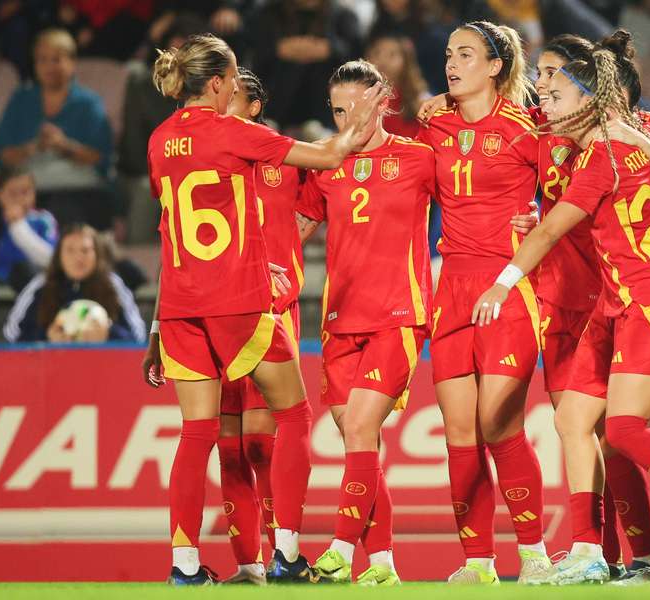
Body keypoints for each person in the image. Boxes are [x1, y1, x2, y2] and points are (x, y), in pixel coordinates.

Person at [472, 46, 650, 584]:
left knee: (630, 430)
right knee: (580, 421)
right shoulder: (605, 146)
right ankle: (635, 559)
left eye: (556, 91)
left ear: (591, 100)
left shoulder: (601, 153)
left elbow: (553, 228)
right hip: (624, 302)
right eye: (544, 87)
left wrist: (503, 281)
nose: (545, 99)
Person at [138, 33, 387, 585]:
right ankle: (289, 554)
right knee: (293, 414)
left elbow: (167, 235)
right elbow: (328, 155)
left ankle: (183, 568)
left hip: (181, 308)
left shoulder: (158, 142)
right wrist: (359, 116)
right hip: (238, 301)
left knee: (195, 431)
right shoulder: (233, 130)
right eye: (231, 81)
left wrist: (155, 329)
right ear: (221, 83)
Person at [415, 20, 551, 585]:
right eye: (449, 53)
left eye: (466, 54)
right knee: (459, 432)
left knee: (499, 423)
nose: (451, 63)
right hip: (453, 287)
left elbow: (567, 193)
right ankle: (477, 561)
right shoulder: (434, 125)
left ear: (495, 66)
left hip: (509, 286)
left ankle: (536, 554)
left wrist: (539, 215)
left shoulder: (527, 128)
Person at [295, 59, 434, 587]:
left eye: (355, 106)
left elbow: (472, 206)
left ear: (383, 99)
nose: (346, 118)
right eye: (336, 110)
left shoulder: (420, 159)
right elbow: (297, 231)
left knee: (358, 427)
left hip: (398, 316)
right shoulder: (324, 163)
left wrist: (521, 218)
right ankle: (382, 565)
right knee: (361, 446)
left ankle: (336, 550)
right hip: (338, 321)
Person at [216, 68, 305, 586]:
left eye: (234, 100)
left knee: (262, 443)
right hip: (222, 312)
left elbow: (319, 202)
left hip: (273, 312)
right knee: (229, 446)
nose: (222, 108)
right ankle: (248, 565)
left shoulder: (284, 157)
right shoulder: (209, 162)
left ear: (254, 108)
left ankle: (283, 551)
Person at [0, 28, 114, 230]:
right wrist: (34, 147)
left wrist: (64, 146)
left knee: (64, 211)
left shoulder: (89, 103)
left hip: (78, 191)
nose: (49, 67)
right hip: (29, 190)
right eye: (42, 60)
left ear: (72, 63)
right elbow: (3, 155)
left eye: (57, 59)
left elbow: (100, 158)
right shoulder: (20, 100)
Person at [118, 14, 207, 243]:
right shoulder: (142, 86)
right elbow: (134, 145)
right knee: (145, 189)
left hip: (199, 170)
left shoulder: (210, 88)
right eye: (175, 48)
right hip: (149, 171)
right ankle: (141, 263)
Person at [2, 222, 145, 343]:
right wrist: (47, 337)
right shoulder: (41, 285)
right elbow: (12, 335)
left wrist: (109, 334)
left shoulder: (112, 284)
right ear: (59, 256)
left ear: (97, 255)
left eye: (85, 250)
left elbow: (138, 337)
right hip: (51, 371)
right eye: (70, 250)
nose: (78, 258)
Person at [249, 0, 364, 129]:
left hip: (324, 101)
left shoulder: (342, 15)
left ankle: (322, 127)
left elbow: (357, 58)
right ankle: (270, 123)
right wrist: (277, 49)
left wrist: (330, 49)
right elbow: (256, 54)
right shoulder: (269, 13)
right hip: (278, 97)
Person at [0, 166, 57, 293]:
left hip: (36, 290)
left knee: (23, 269)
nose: (19, 199)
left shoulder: (44, 220)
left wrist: (18, 226)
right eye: (12, 193)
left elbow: (50, 260)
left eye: (25, 192)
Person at [365, 32, 430, 138]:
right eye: (377, 53)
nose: (383, 61)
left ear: (406, 60)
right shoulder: (360, 97)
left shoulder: (420, 100)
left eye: (392, 55)